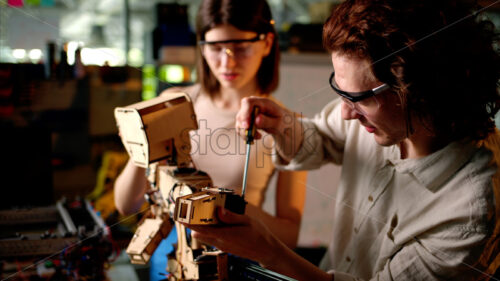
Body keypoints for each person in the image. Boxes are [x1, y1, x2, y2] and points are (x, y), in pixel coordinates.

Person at [185, 0, 500, 280]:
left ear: (421, 93)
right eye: (340, 91)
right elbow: (321, 139)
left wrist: (270, 252)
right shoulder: (376, 114)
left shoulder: (467, 214)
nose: (346, 113)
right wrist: (282, 125)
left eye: (358, 98)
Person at [114, 0, 307, 279]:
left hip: (232, 264)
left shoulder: (288, 127)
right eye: (215, 48)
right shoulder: (171, 104)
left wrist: (225, 205)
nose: (227, 61)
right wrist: (140, 145)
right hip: (170, 259)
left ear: (267, 43)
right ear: (201, 46)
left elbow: (289, 236)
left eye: (240, 48)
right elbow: (126, 205)